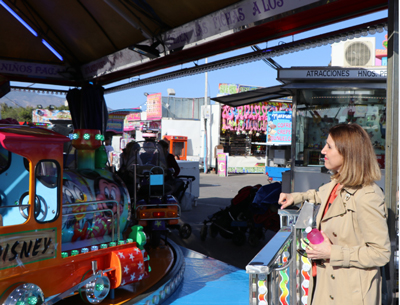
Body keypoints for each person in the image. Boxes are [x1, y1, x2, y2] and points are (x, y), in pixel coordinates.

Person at [278, 123, 390, 305]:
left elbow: (381, 253)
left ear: (348, 153)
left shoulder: (368, 196)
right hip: (329, 287)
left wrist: (332, 252)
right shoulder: (338, 184)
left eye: (329, 146)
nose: (323, 151)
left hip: (351, 294)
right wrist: (295, 197)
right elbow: (318, 194)